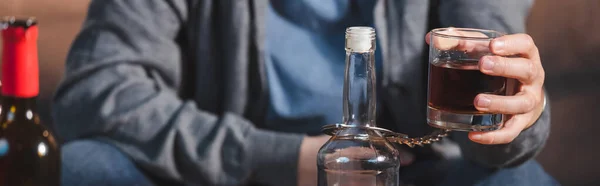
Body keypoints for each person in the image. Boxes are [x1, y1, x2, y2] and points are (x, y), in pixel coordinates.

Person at [52, 0, 558, 185]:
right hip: (226, 174)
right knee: (83, 167)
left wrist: (517, 109)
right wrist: (278, 158)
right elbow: (96, 90)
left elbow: (493, 46)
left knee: (518, 179)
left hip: (412, 175)